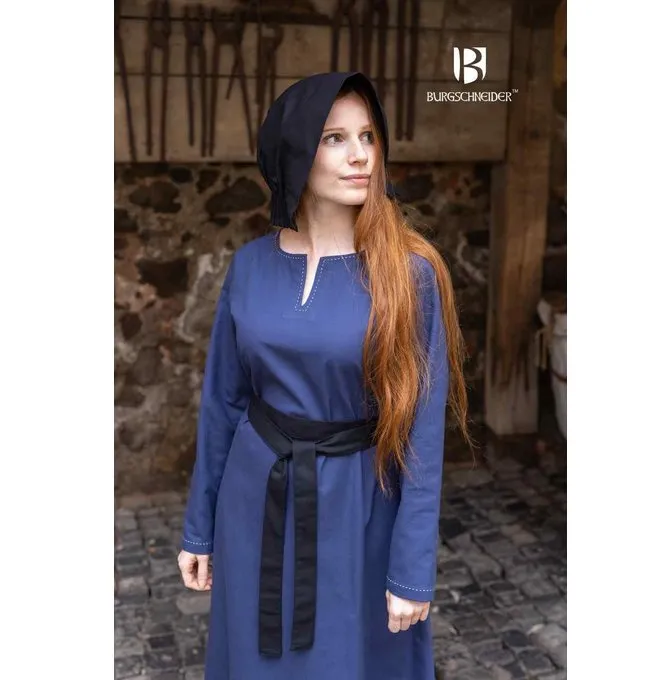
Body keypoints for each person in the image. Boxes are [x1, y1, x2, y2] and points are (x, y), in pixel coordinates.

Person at [177, 72, 470, 680]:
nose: (360, 155)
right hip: (254, 498)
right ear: (294, 152)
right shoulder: (250, 266)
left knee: (348, 661)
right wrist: (200, 527)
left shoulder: (409, 273)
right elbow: (222, 404)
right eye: (334, 138)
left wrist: (412, 567)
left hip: (357, 506)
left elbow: (422, 436)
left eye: (367, 136)